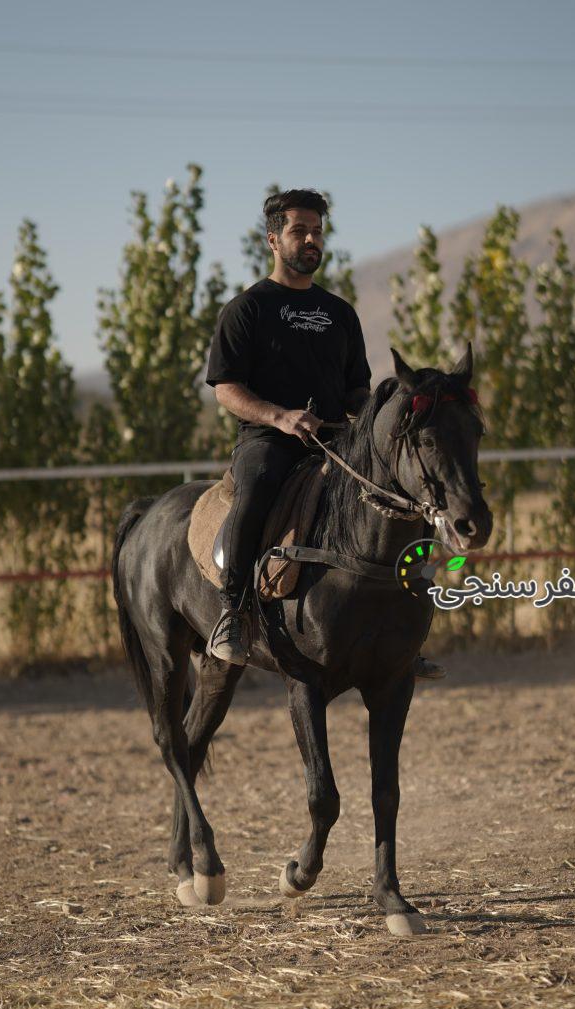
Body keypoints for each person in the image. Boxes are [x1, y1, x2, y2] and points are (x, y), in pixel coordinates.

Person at [204, 188, 446, 681]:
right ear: (273, 239)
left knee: (404, 502)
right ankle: (234, 611)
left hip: (337, 443)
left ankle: (406, 634)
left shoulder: (340, 313)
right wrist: (280, 417)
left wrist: (376, 415)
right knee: (256, 490)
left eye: (317, 230)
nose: (311, 239)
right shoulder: (247, 309)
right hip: (268, 441)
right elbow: (226, 389)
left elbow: (356, 389)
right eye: (299, 230)